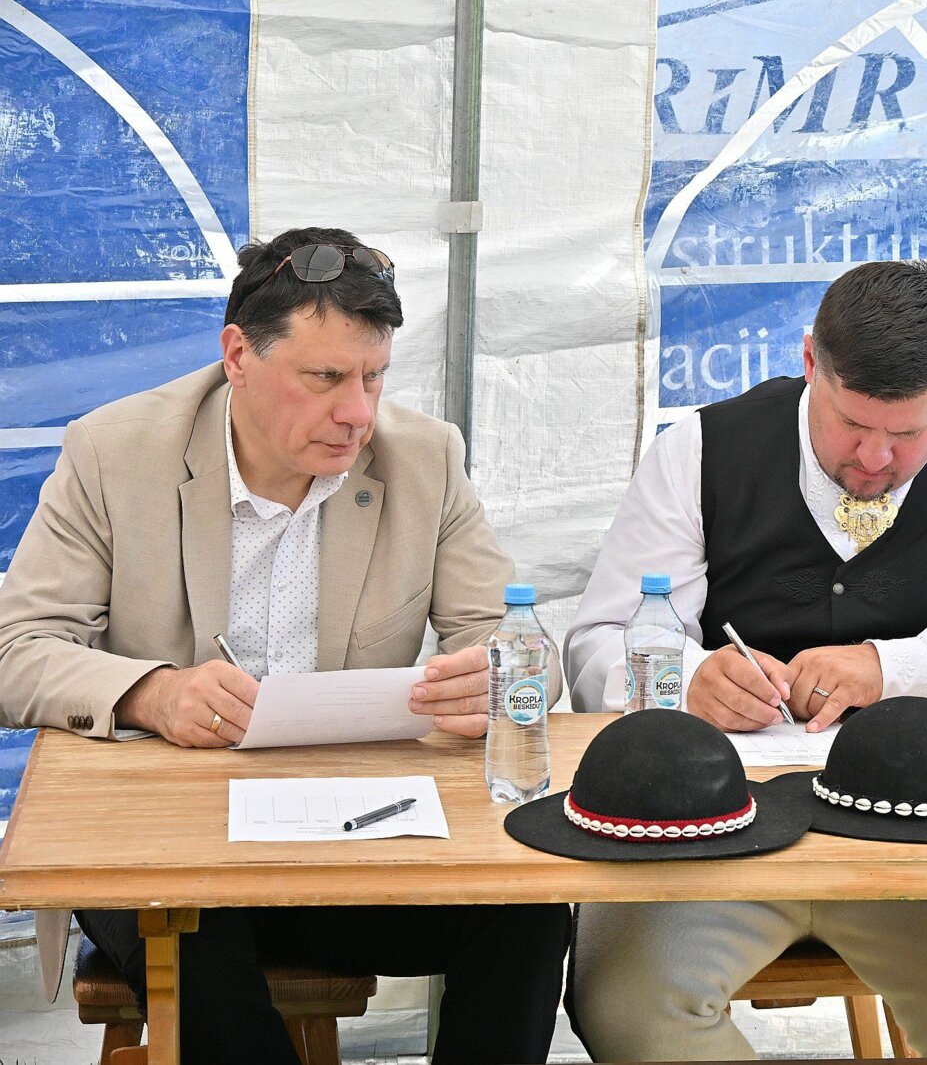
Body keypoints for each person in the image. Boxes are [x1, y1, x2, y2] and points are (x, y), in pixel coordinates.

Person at [0, 227, 570, 1064]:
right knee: (191, 930)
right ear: (238, 355)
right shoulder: (114, 451)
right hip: (165, 844)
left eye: (375, 376)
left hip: (353, 836)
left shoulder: (425, 457)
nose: (358, 413)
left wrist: (496, 676)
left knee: (528, 912)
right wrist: (152, 693)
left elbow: (518, 642)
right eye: (326, 378)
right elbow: (17, 649)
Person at [564, 259, 927, 1058]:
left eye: (908, 435)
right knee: (626, 1007)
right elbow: (598, 642)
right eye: (850, 424)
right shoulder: (698, 451)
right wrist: (688, 680)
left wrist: (894, 668)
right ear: (810, 359)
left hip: (925, 847)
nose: (874, 459)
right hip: (704, 838)